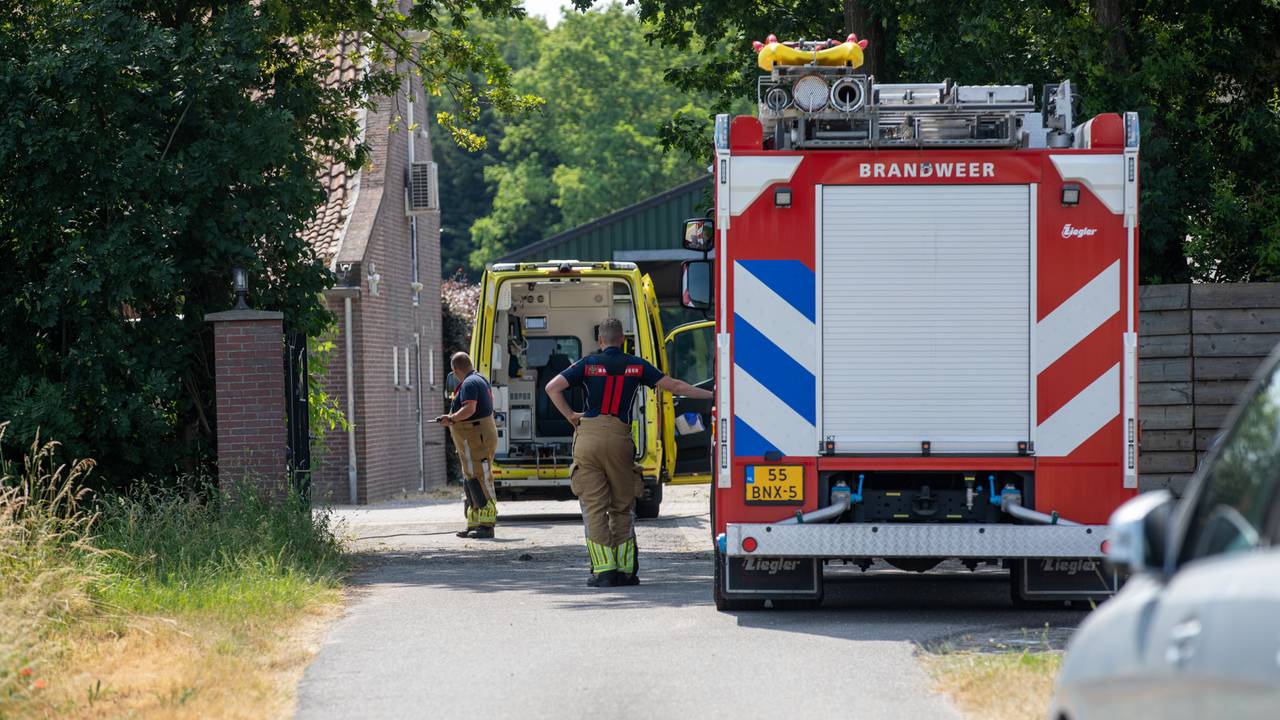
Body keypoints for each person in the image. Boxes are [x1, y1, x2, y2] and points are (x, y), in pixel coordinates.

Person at [545, 318, 713, 588]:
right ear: (623, 339)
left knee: (594, 508)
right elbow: (677, 387)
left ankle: (604, 571)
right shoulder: (636, 365)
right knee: (622, 506)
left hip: (588, 436)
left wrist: (572, 416)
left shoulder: (587, 364)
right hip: (620, 438)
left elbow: (551, 387)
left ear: (601, 341)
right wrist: (714, 395)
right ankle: (625, 572)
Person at [438, 352, 498, 539]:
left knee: (480, 475)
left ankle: (486, 525)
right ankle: (474, 522)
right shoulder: (479, 379)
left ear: (455, 370)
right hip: (472, 437)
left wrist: (451, 418)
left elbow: (470, 408)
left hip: (476, 436)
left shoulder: (470, 383)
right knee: (470, 477)